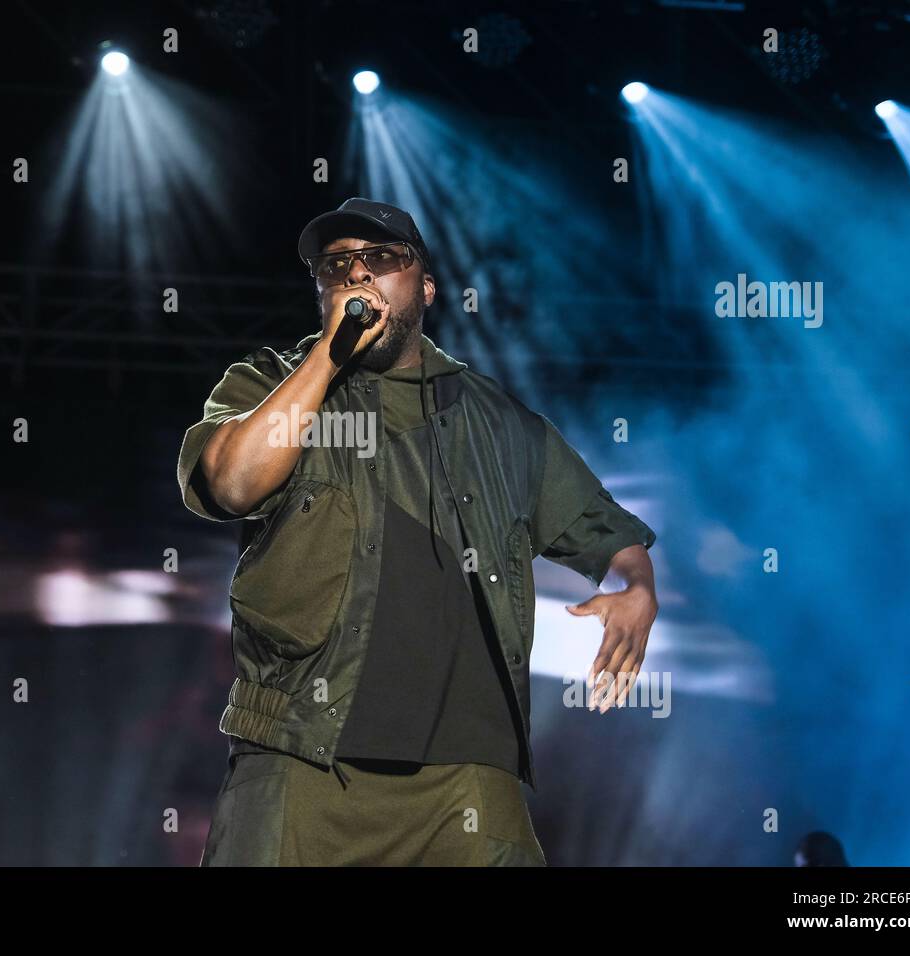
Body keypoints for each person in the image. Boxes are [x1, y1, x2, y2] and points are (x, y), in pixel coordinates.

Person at [176, 198, 659, 865]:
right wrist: (326, 357)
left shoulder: (498, 421)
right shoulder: (270, 383)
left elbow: (606, 530)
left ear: (425, 286)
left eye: (382, 259)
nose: (359, 276)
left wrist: (638, 585)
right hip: (306, 757)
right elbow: (232, 484)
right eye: (337, 266)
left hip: (468, 776)